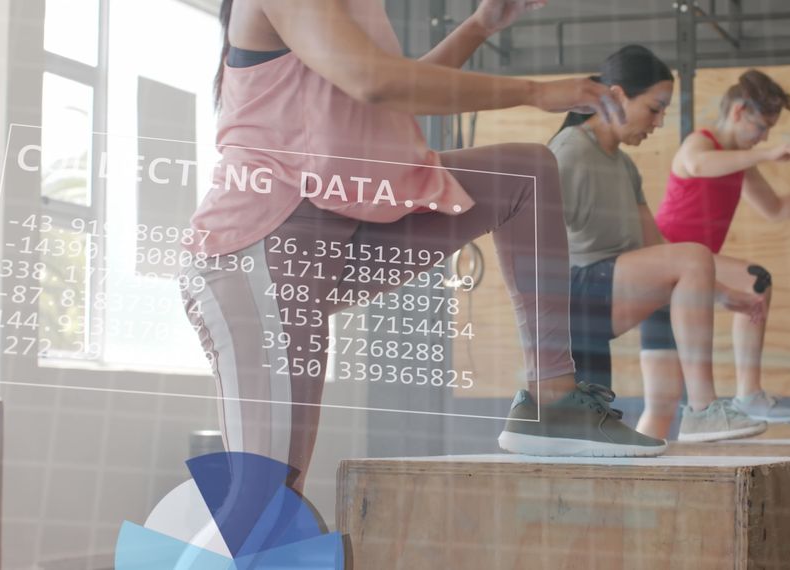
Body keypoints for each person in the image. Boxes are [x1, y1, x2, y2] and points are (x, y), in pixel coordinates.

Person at [181, 0, 669, 502]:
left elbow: (391, 92)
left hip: (343, 229)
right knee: (273, 497)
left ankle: (554, 398)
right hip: (257, 253)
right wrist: (535, 92)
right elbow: (377, 82)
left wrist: (480, 26)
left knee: (524, 174)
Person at [549, 45, 768, 443]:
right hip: (571, 299)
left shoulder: (624, 165)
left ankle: (696, 412)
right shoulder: (570, 152)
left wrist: (721, 294)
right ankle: (702, 409)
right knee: (693, 256)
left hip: (595, 305)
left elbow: (655, 246)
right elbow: (528, 240)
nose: (660, 121)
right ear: (617, 96)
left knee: (589, 441)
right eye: (654, 108)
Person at [652, 69, 790, 427]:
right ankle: (746, 395)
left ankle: (747, 394)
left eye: (769, 131)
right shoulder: (700, 144)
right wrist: (766, 153)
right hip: (668, 254)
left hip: (696, 262)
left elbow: (777, 210)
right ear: (736, 112)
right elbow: (697, 165)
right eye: (761, 127)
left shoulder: (739, 163)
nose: (763, 137)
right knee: (754, 281)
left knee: (755, 284)